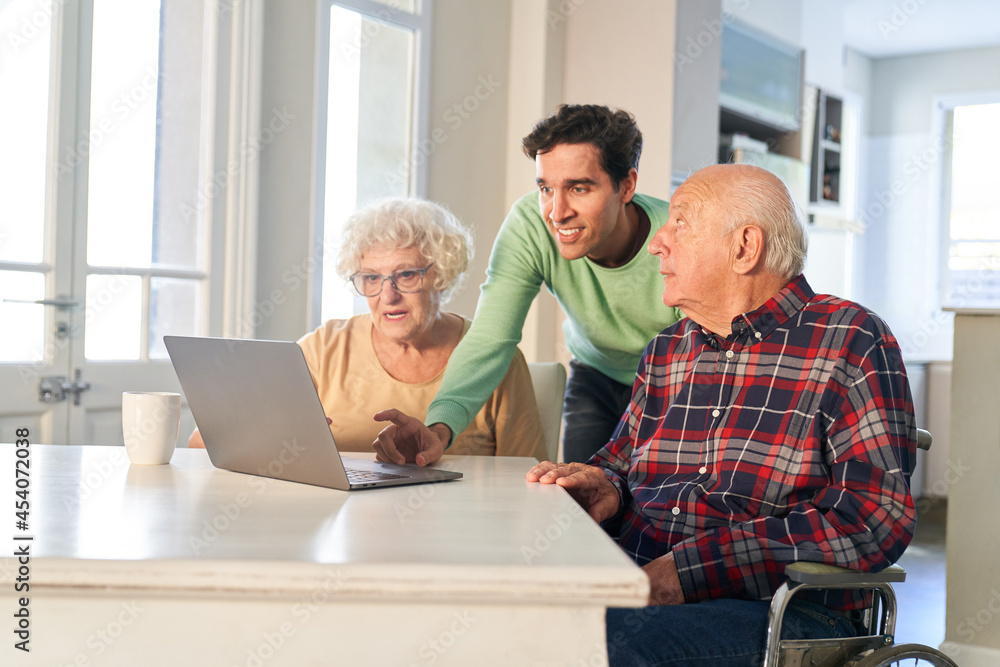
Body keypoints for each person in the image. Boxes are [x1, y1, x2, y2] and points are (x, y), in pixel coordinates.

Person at [526, 164, 917, 666]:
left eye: (680, 223)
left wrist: (689, 572)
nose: (656, 243)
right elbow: (618, 467)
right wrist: (605, 486)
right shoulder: (666, 350)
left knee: (578, 645)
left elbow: (872, 518)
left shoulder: (851, 339)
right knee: (508, 616)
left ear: (744, 247)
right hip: (640, 586)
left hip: (781, 612)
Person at [373, 104, 683, 466]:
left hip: (674, 378)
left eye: (579, 188)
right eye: (546, 188)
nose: (556, 212)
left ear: (626, 186)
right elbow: (491, 337)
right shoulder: (530, 226)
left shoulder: (676, 236)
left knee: (657, 502)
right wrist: (440, 429)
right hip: (596, 374)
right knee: (582, 501)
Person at [190, 197, 546, 460]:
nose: (387, 295)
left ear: (442, 274)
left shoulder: (495, 359)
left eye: (406, 274)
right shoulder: (325, 347)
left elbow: (531, 482)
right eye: (371, 278)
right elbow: (202, 441)